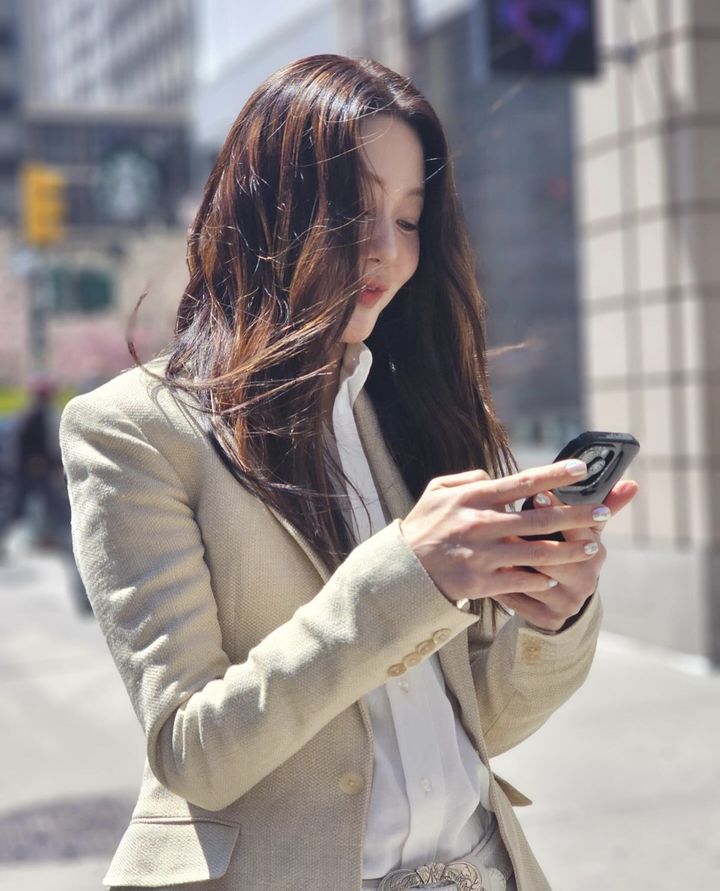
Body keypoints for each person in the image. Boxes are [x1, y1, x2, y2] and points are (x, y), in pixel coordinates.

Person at [59, 55, 638, 891]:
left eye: (408, 220)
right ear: (266, 208)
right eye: (353, 211)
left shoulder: (407, 409)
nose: (385, 251)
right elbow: (195, 751)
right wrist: (409, 573)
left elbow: (488, 721)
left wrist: (555, 612)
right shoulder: (134, 431)